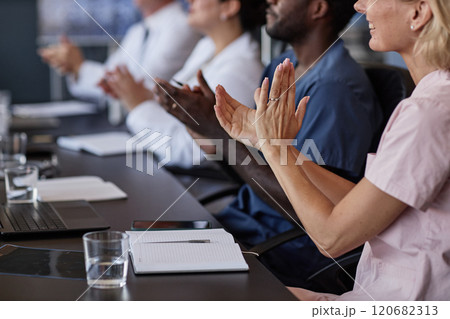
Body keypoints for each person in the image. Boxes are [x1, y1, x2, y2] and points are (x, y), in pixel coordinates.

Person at [215, 0, 450, 301]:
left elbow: (331, 239)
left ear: (418, 13)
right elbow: (358, 204)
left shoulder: (428, 113)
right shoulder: (428, 102)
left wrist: (276, 149)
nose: (361, 6)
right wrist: (268, 142)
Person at [154, 0, 382, 288]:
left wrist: (220, 134)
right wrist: (206, 121)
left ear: (318, 9)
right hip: (243, 224)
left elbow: (312, 209)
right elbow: (251, 164)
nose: (270, 0)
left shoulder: (335, 90)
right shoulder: (280, 67)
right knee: (140, 241)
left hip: (282, 250)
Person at [106, 0, 266, 168]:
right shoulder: (207, 47)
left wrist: (137, 105)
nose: (189, 1)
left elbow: (186, 150)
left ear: (229, 7)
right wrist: (142, 95)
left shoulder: (239, 71)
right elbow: (178, 109)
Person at [38, 0, 200, 102]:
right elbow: (106, 80)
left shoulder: (182, 26)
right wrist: (74, 68)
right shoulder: (137, 31)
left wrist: (80, 66)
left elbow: (140, 85)